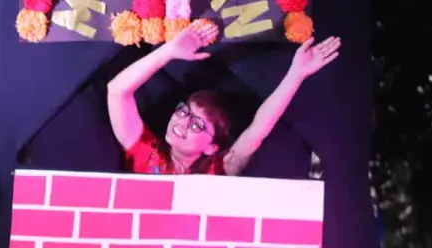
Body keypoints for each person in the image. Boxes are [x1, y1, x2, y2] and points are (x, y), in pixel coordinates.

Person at [106, 21, 342, 175]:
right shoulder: (147, 157)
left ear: (212, 147)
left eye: (197, 124)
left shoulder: (220, 169)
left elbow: (259, 128)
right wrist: (168, 51)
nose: (183, 122)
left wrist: (296, 74)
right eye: (184, 111)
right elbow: (117, 91)